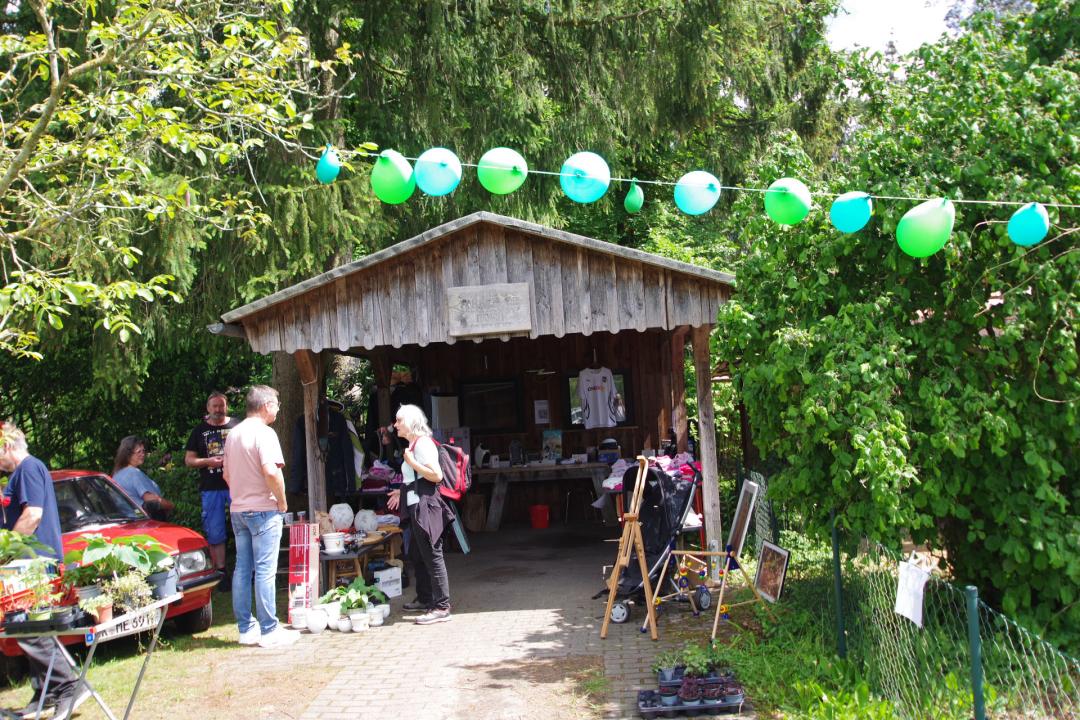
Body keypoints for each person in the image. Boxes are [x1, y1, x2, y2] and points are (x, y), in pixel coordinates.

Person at [0, 422, 91, 719]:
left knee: (25, 626)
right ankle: (47, 691)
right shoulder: (24, 472)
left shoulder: (27, 469)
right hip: (32, 561)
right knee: (31, 626)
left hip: (33, 562)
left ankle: (69, 685)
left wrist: (6, 550)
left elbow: (33, 515)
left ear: (7, 446)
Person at [222, 385, 298, 648]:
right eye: (276, 403)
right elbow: (271, 471)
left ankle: (246, 629)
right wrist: (282, 501)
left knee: (242, 569)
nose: (278, 408)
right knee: (266, 570)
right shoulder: (265, 433)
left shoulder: (233, 434)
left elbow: (226, 475)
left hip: (238, 511)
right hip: (264, 511)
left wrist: (241, 496)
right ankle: (269, 630)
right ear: (266, 405)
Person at [386, 404, 455, 625]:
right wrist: (401, 490)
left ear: (411, 422)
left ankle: (442, 606)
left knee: (433, 556)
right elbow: (415, 479)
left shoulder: (422, 444)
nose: (395, 425)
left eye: (399, 420)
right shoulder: (413, 444)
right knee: (417, 554)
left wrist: (412, 462)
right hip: (416, 505)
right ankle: (426, 598)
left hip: (427, 507)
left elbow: (436, 475)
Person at [184, 392, 238, 589]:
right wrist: (207, 461)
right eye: (214, 406)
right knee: (215, 532)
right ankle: (221, 573)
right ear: (208, 408)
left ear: (227, 407)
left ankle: (245, 570)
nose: (218, 410)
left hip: (237, 486)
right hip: (211, 487)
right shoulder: (200, 431)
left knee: (243, 527)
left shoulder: (237, 426)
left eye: (221, 406)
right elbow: (189, 460)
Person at [112, 436, 174, 520]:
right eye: (139, 452)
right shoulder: (134, 473)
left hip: (127, 521)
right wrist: (170, 506)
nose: (143, 454)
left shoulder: (116, 475)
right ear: (128, 454)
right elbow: (151, 500)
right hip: (147, 521)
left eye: (143, 451)